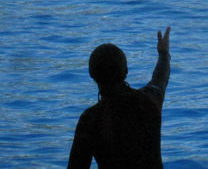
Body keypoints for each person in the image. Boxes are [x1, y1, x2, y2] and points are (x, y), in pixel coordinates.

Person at [67, 27, 171, 168]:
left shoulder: (90, 119)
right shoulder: (149, 102)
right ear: (126, 72)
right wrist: (163, 54)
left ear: (92, 75)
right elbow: (161, 79)